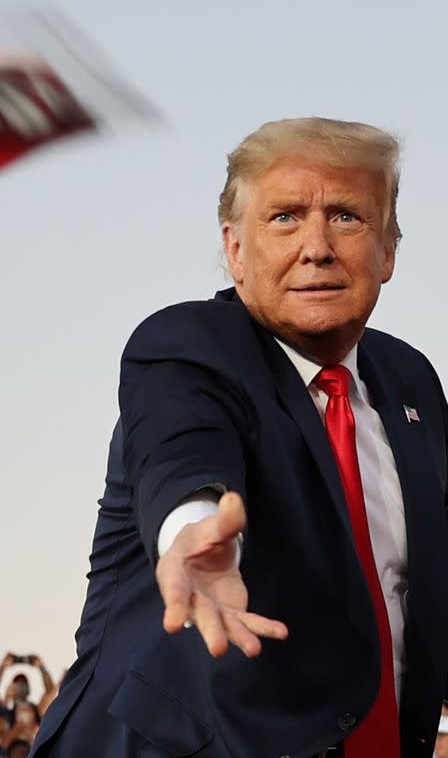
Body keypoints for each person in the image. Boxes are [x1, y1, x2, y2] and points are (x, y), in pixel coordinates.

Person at [29, 117, 448, 757]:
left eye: (347, 217)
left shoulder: (411, 379)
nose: (316, 247)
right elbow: (182, 446)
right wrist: (190, 526)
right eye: (284, 218)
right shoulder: (190, 346)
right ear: (233, 248)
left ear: (388, 250)